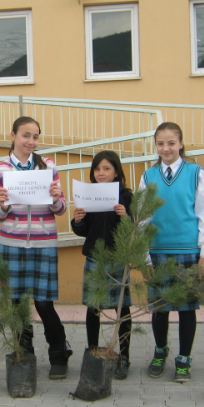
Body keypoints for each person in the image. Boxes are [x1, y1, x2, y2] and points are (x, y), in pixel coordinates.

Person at [0, 116, 72, 380]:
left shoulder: (48, 167)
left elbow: (60, 209)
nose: (31, 141)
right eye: (26, 135)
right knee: (16, 303)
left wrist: (57, 199)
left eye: (35, 136)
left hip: (43, 242)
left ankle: (59, 353)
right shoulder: (0, 171)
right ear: (12, 135)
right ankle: (24, 354)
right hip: (12, 243)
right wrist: (2, 206)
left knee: (44, 303)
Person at [139, 121, 204, 383]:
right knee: (160, 308)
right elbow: (142, 219)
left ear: (181, 144)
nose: (166, 148)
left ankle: (184, 358)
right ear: (156, 145)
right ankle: (160, 352)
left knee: (186, 309)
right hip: (158, 252)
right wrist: (145, 257)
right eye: (161, 143)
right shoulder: (148, 177)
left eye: (171, 143)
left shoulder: (196, 173)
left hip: (188, 252)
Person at [71, 151, 133, 379]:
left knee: (123, 309)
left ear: (116, 171)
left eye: (106, 168)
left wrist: (125, 216)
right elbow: (83, 229)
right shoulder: (87, 194)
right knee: (93, 307)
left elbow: (135, 228)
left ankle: (124, 356)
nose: (101, 173)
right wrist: (77, 220)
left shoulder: (125, 196)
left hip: (118, 259)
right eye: (97, 169)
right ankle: (92, 350)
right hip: (95, 259)